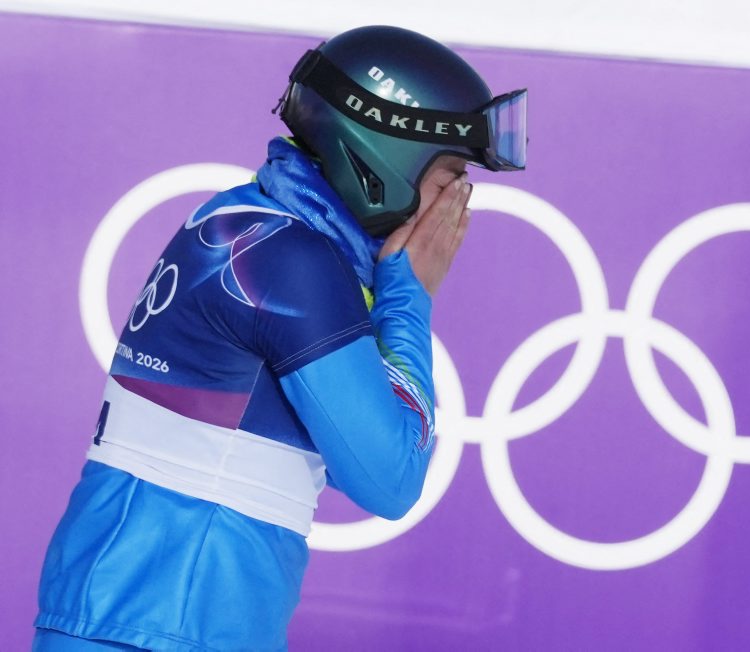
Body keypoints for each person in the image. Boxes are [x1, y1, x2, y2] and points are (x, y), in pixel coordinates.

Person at [32, 25, 526, 651]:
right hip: (162, 628)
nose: (458, 203)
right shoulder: (291, 263)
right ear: (386, 157)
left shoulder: (250, 226)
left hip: (143, 618)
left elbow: (339, 450)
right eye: (451, 175)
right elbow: (389, 479)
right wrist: (409, 297)